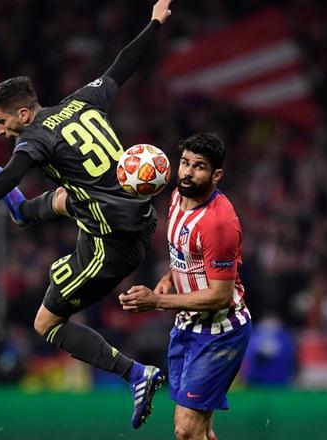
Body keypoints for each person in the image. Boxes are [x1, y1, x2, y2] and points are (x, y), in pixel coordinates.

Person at [0, 0, 174, 429]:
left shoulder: (34, 139)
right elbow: (123, 65)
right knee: (69, 193)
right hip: (129, 211)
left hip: (112, 243)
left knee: (45, 322)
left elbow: (10, 174)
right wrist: (155, 22)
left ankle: (135, 373)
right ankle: (26, 214)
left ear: (24, 114)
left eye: (0, 120)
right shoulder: (82, 101)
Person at [119, 133, 252, 440]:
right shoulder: (178, 197)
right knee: (199, 431)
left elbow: (220, 297)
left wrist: (155, 302)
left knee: (186, 430)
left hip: (220, 333)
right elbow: (184, 252)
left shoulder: (218, 223)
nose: (188, 173)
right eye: (185, 163)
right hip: (187, 327)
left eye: (199, 167)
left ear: (216, 174)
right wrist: (168, 278)